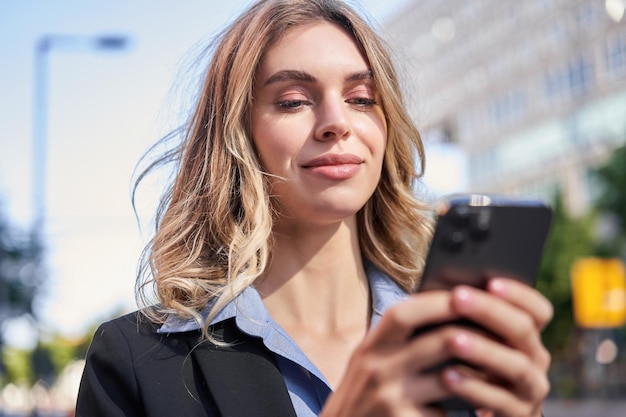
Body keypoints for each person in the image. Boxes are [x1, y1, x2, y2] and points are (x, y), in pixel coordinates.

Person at [75, 1, 553, 416]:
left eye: (361, 98)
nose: (336, 122)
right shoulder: (136, 360)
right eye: (293, 101)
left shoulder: (452, 342)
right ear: (237, 136)